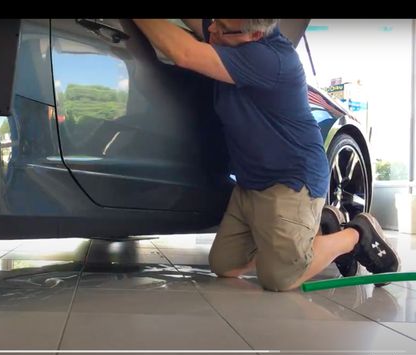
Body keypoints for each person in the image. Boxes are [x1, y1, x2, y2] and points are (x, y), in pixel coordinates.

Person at [132, 19, 400, 291]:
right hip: (250, 186)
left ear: (256, 34)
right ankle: (320, 229)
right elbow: (203, 25)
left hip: (291, 182)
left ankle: (355, 234)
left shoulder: (270, 59)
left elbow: (184, 53)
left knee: (280, 278)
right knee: (224, 265)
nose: (211, 29)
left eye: (221, 27)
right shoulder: (234, 31)